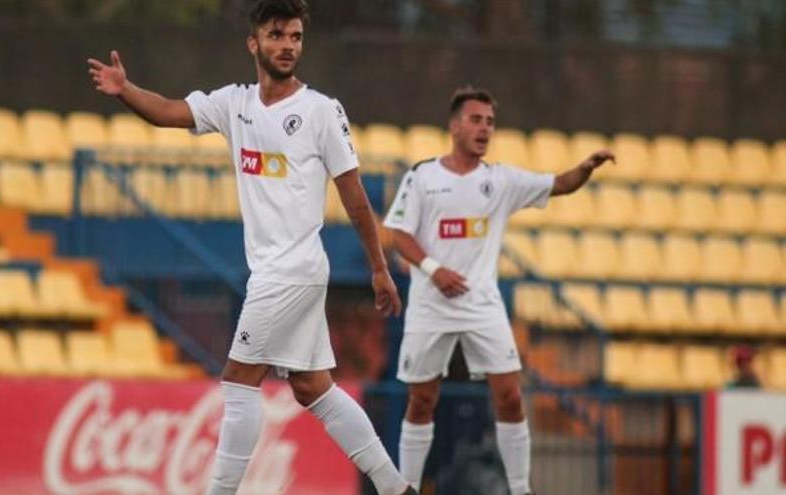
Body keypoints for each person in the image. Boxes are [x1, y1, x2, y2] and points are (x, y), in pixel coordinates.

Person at [87, 1, 417, 494]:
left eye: (296, 37)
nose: (288, 46)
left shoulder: (321, 111)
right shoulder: (233, 103)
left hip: (292, 270)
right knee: (313, 388)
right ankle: (395, 488)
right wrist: (125, 90)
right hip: (281, 272)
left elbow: (354, 197)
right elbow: (170, 112)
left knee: (238, 380)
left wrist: (378, 267)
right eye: (278, 35)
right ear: (254, 42)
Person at [383, 85, 615, 494]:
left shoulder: (501, 180)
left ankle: (521, 489)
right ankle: (409, 487)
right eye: (476, 120)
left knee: (509, 396)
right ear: (454, 126)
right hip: (431, 305)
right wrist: (434, 269)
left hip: (481, 304)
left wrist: (587, 167)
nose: (485, 129)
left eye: (490, 122)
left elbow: (559, 184)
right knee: (422, 400)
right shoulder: (423, 177)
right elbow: (398, 234)